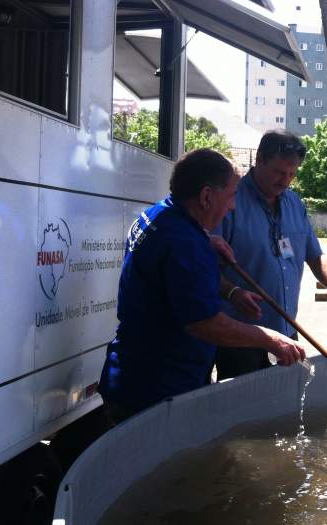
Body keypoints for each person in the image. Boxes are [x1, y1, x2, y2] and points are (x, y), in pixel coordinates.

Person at [98, 149, 305, 419]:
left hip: (132, 373)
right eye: (230, 196)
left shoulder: (160, 213)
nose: (232, 206)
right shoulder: (187, 245)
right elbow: (206, 324)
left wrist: (228, 285)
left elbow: (175, 274)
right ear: (206, 196)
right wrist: (270, 339)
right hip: (157, 390)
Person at [214, 131, 327, 378]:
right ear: (259, 160)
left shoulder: (294, 203)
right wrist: (231, 292)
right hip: (242, 338)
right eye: (278, 172)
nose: (285, 181)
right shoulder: (229, 200)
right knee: (243, 402)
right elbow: (204, 265)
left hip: (286, 330)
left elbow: (316, 255)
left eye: (292, 174)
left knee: (285, 399)